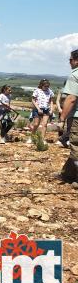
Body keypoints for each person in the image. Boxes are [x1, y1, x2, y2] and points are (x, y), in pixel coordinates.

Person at [58, 49, 78, 183]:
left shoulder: (75, 75)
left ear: (76, 60)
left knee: (76, 146)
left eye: (70, 59)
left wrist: (62, 118)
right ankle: (67, 174)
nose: (69, 62)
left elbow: (71, 98)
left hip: (77, 117)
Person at [27, 79, 54, 144]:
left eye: (48, 86)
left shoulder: (50, 91)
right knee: (36, 124)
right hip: (37, 109)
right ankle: (31, 137)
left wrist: (51, 109)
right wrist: (38, 109)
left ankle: (42, 139)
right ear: (41, 85)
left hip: (46, 109)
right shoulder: (37, 91)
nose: (46, 87)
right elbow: (33, 100)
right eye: (45, 86)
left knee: (44, 124)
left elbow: (51, 101)